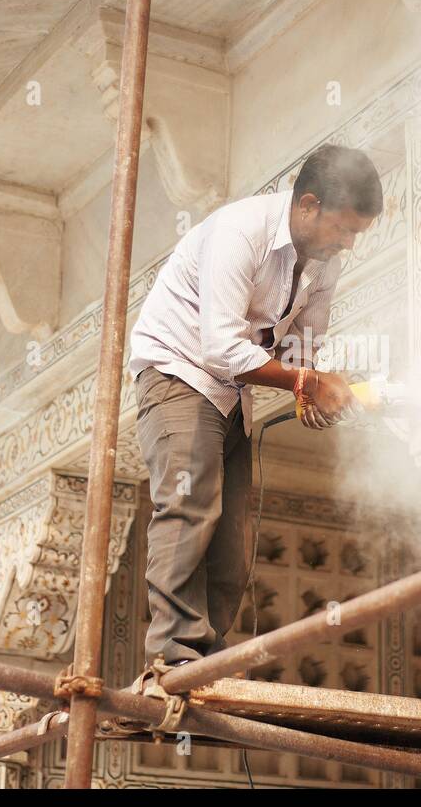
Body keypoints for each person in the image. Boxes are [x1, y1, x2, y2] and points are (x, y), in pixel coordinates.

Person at [128, 143, 383, 668]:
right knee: (190, 503)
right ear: (307, 205)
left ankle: (204, 659)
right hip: (178, 373)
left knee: (233, 537)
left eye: (357, 233)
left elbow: (302, 348)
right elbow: (219, 347)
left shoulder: (323, 261)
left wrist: (315, 383)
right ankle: (173, 655)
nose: (349, 243)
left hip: (229, 393)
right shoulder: (240, 231)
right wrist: (308, 380)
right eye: (344, 228)